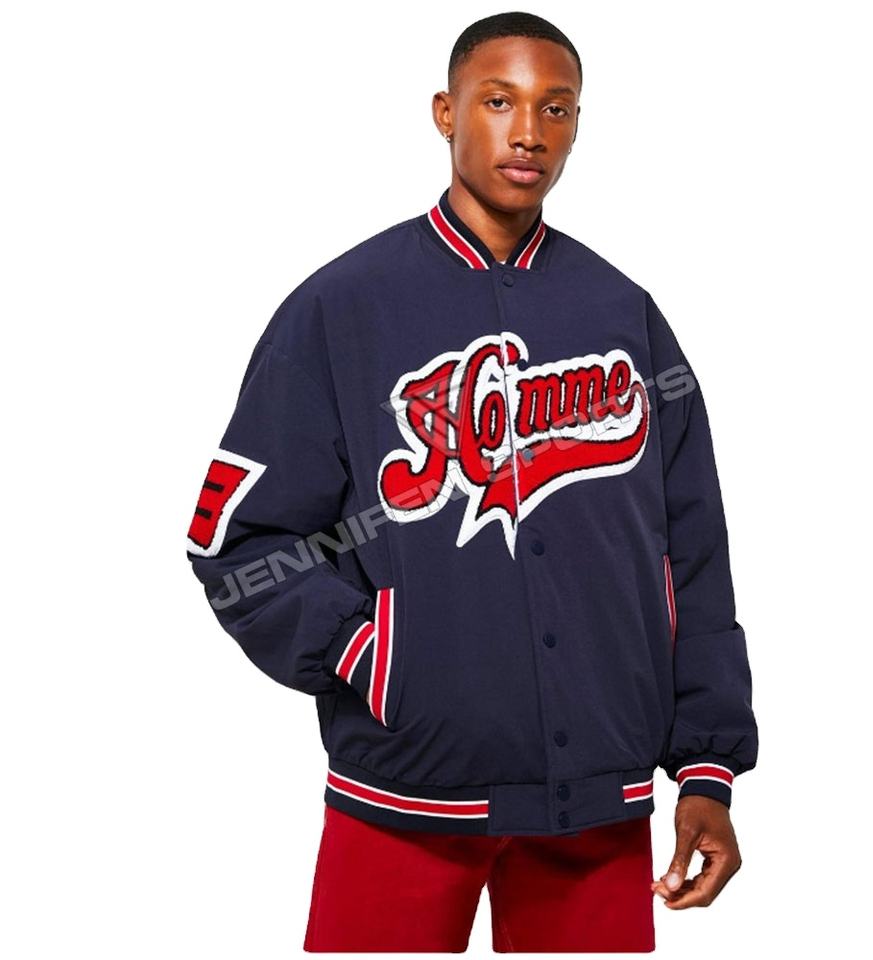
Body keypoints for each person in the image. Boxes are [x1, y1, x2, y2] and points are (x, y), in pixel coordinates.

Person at [185, 11, 759, 953]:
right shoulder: (341, 306)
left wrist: (707, 767)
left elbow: (692, 554)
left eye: (555, 108)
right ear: (446, 113)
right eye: (498, 102)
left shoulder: (625, 314)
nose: (527, 132)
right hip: (405, 789)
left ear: (577, 126)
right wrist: (372, 654)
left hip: (598, 802)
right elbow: (234, 537)